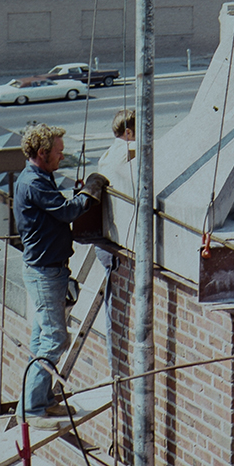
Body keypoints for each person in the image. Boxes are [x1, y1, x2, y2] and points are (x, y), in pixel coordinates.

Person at [14, 123, 107, 425]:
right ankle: (32, 408)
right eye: (57, 152)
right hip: (45, 272)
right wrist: (90, 193)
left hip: (46, 270)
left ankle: (41, 399)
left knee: (42, 338)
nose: (61, 157)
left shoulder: (39, 177)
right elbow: (67, 213)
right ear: (42, 153)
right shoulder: (35, 183)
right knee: (55, 339)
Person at [94, 109, 135, 369]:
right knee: (115, 307)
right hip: (116, 242)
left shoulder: (108, 153)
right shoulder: (127, 152)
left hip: (105, 238)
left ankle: (115, 362)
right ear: (129, 132)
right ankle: (115, 365)